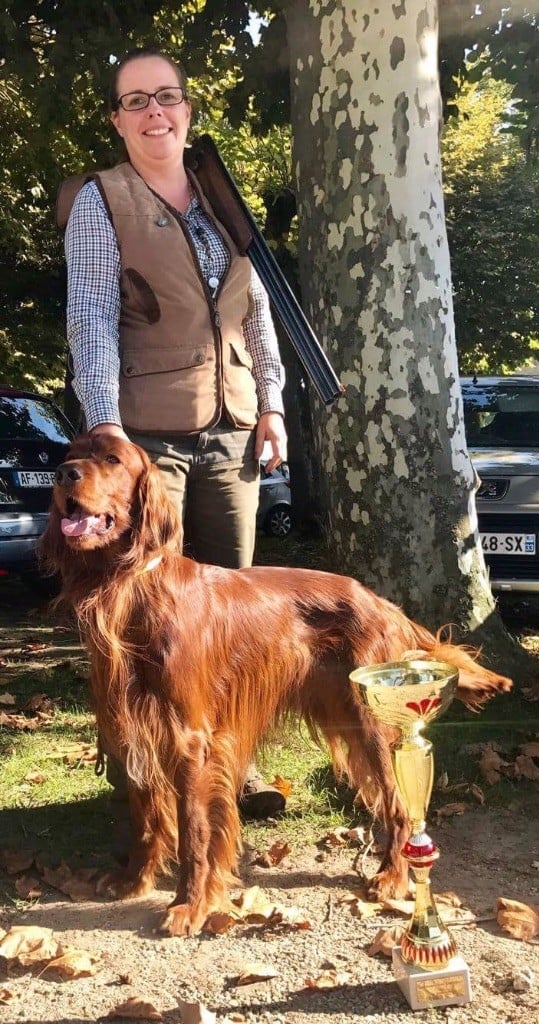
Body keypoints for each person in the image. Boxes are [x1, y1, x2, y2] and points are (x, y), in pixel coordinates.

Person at [63, 47, 288, 822]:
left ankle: (234, 763)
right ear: (118, 119)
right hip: (144, 435)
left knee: (232, 615)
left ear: (187, 108)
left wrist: (273, 406)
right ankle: (142, 768)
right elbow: (91, 315)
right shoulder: (101, 200)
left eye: (167, 98)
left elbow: (258, 311)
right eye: (136, 102)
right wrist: (106, 430)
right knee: (147, 614)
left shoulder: (224, 200)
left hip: (232, 427)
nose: (155, 113)